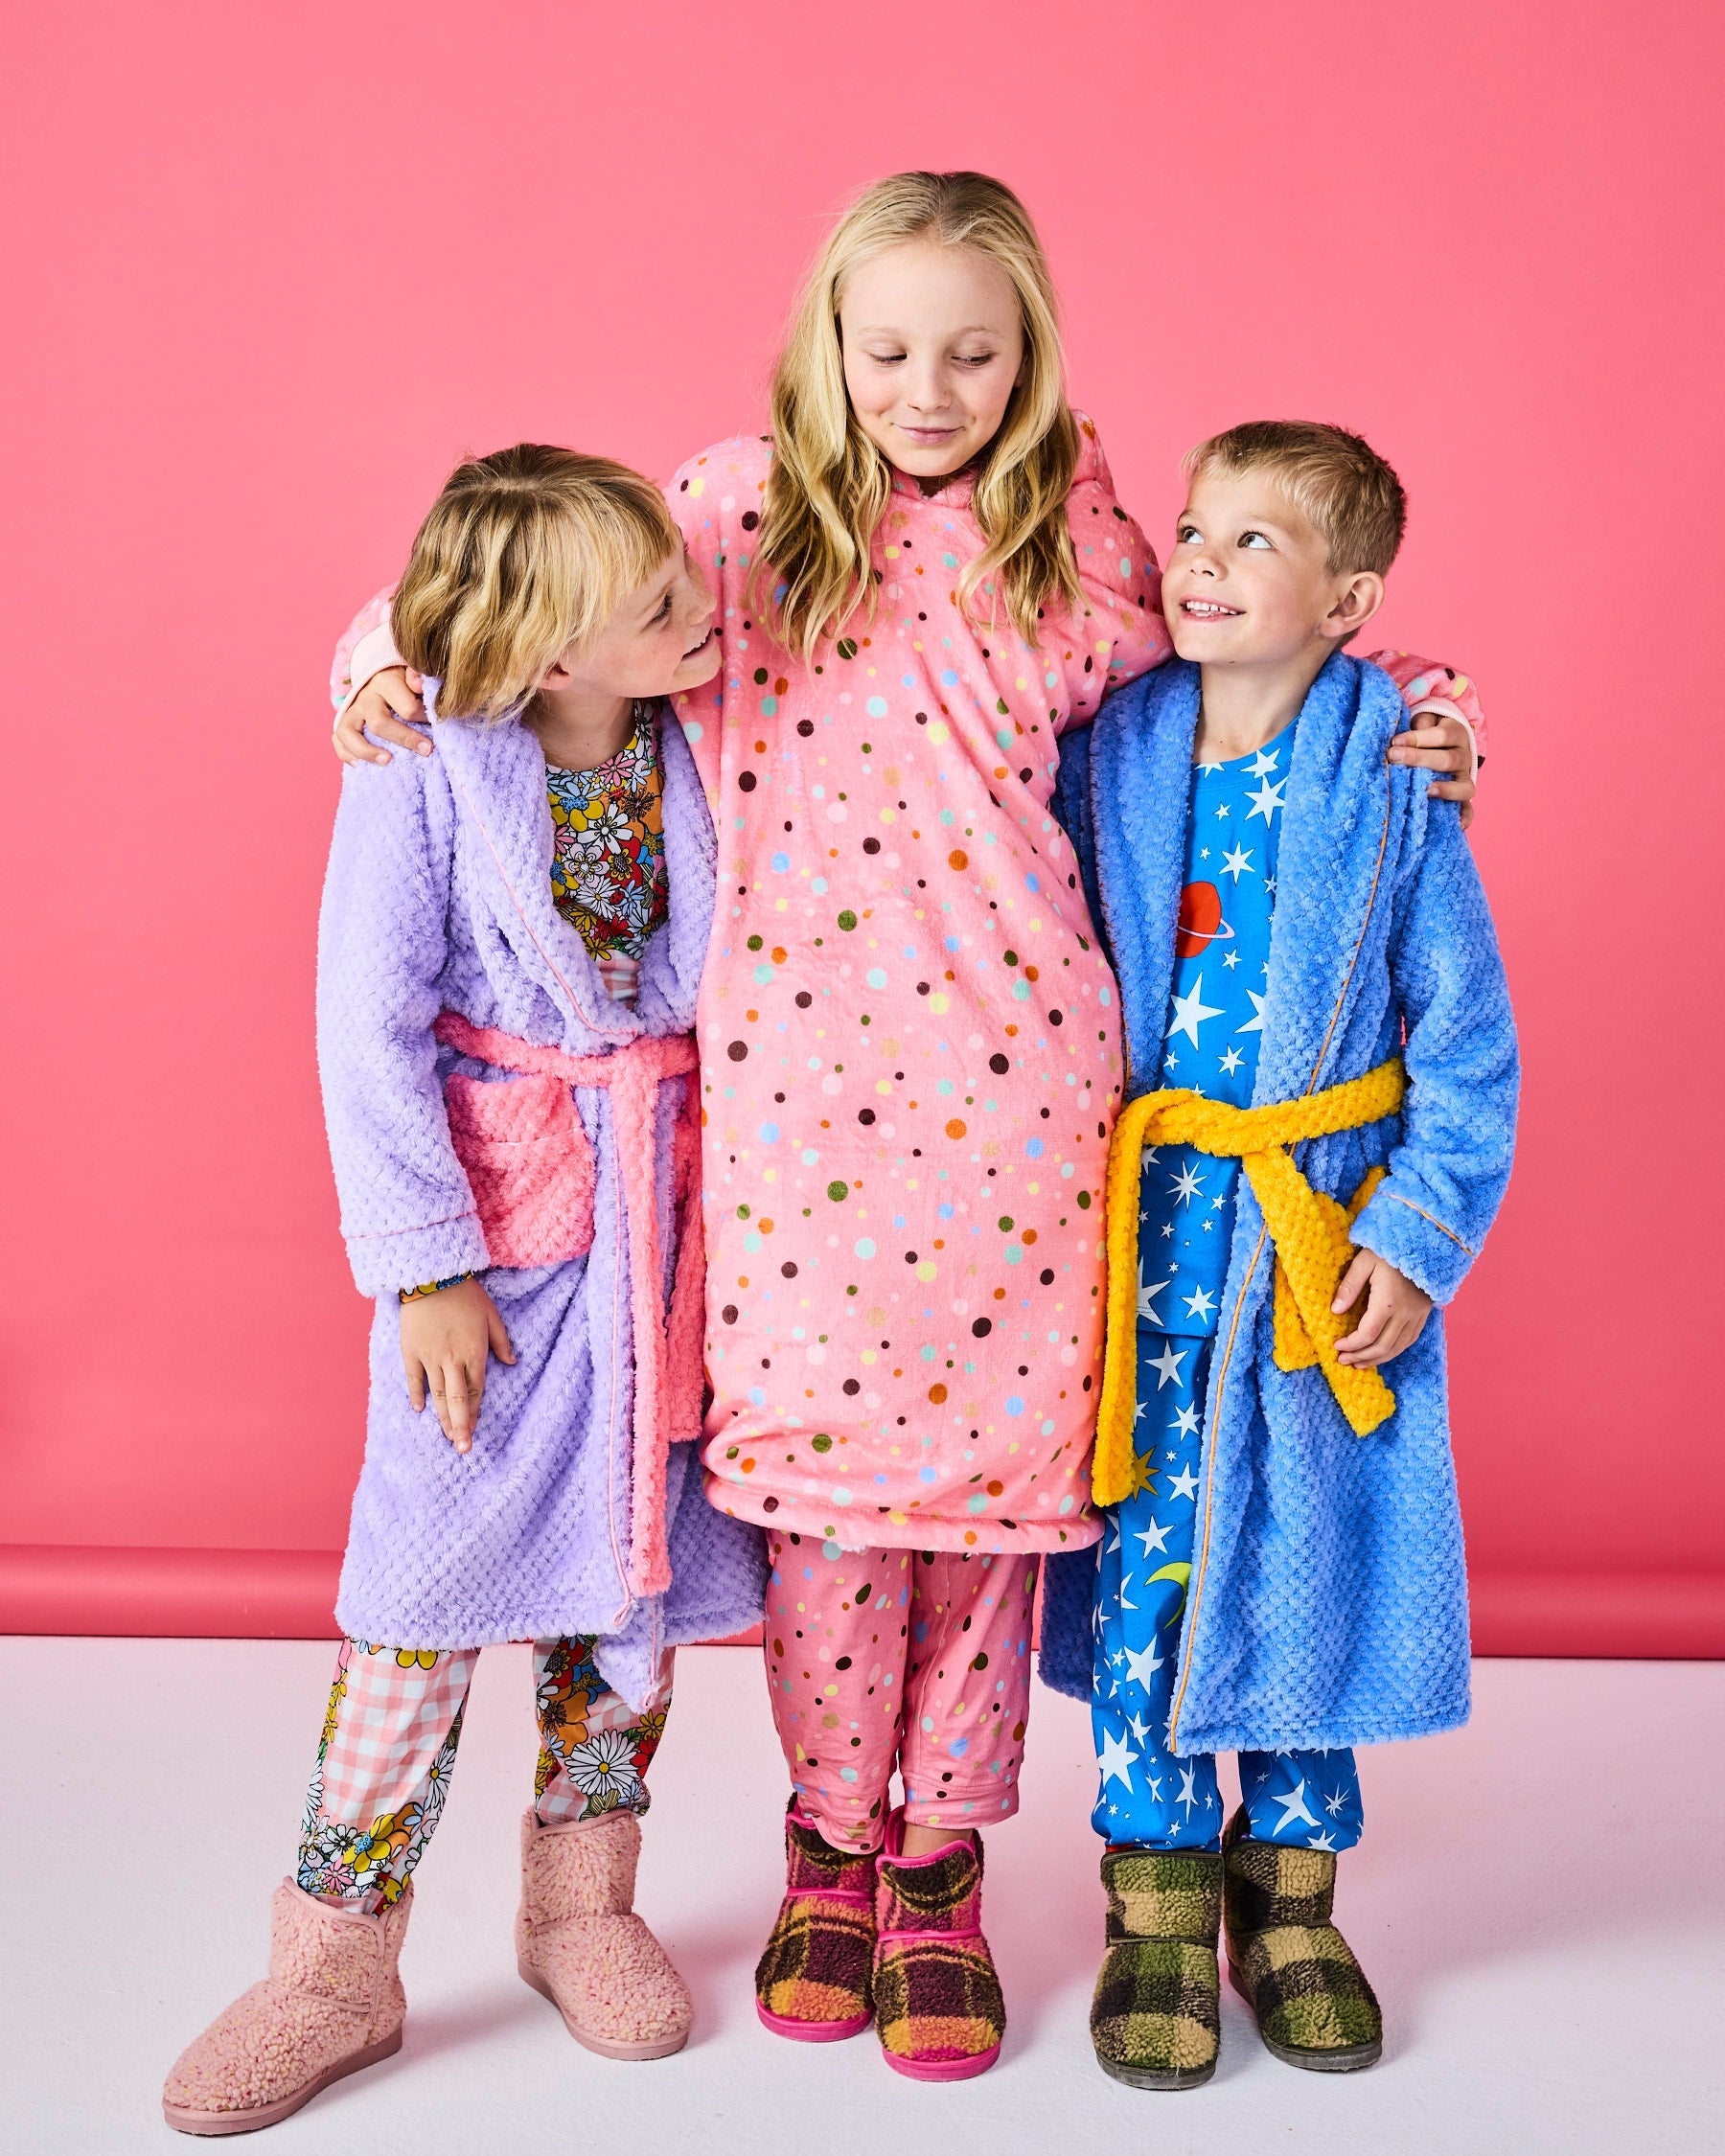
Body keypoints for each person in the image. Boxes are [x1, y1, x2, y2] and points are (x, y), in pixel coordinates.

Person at [330, 172, 1484, 2082]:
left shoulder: (1089, 544)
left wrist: (1418, 711)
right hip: (794, 1121)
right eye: (887, 350)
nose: (929, 387)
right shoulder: (724, 520)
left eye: (974, 349)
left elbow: (1264, 669)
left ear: (1028, 355)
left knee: (993, 1525)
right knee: (826, 1534)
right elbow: (493, 580)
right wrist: (369, 665)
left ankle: (938, 1866)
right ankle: (826, 1855)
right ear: (825, 344)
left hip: (1034, 1109)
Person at [162, 447, 766, 2137]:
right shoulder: (428, 758)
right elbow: (366, 1021)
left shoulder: (701, 723)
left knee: (627, 1609)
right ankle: (333, 1964)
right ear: (550, 654)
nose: (697, 603)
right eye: (655, 600)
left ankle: (581, 1903)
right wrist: (423, 1262)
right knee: (416, 1616)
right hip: (501, 1240)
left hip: (668, 1224)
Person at [1043, 421, 1518, 2090]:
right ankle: (1156, 1894)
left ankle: (1293, 1891)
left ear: (1352, 600)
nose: (1200, 561)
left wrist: (1419, 1230)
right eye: (1192, 528)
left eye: (1256, 544)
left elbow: (1464, 1040)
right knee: (1151, 1559)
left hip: (1313, 1251)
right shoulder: (1113, 743)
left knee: (1308, 1544)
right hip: (1149, 1239)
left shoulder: (1392, 770)